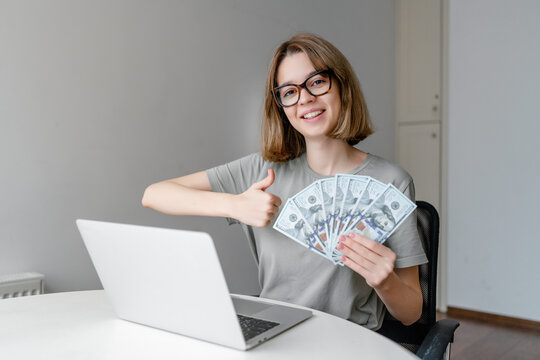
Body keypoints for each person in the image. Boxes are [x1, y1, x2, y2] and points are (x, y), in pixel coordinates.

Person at [142, 33, 427, 331]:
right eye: (289, 91)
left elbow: (411, 313)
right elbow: (154, 194)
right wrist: (235, 204)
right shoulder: (261, 171)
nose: (304, 98)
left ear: (342, 85)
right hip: (274, 336)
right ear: (280, 105)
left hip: (348, 342)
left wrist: (385, 281)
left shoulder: (391, 182)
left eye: (316, 82)